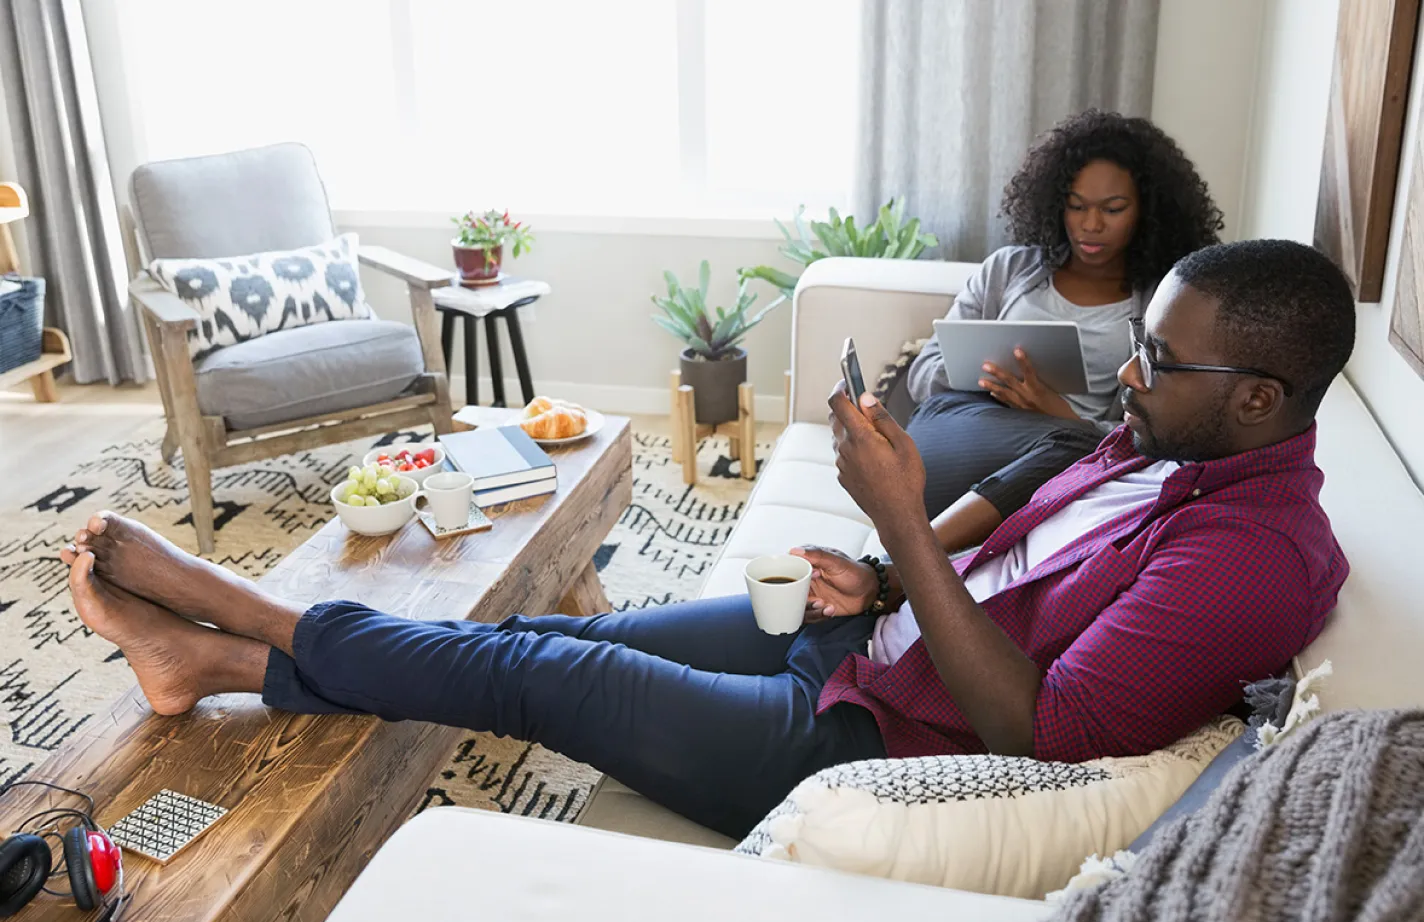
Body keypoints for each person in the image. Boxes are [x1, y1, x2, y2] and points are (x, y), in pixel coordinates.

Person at [60, 240, 1351, 841]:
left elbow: (1043, 733)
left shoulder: (1256, 557)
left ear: (1257, 396)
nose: (1129, 375)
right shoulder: (1171, 442)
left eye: (1160, 360)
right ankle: (211, 668)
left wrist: (900, 515)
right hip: (868, 639)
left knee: (538, 672)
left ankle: (240, 611)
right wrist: (893, 568)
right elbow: (1021, 518)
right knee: (545, 634)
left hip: (871, 743)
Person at [911, 110, 1224, 555]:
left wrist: (1061, 416)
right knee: (1074, 450)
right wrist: (988, 379)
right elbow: (923, 376)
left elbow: (1155, 432)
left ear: (1147, 211)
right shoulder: (1008, 269)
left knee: (1078, 449)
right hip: (963, 429)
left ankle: (908, 562)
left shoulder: (1164, 304)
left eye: (1112, 209)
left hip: (1070, 460)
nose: (1089, 225)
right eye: (1076, 205)